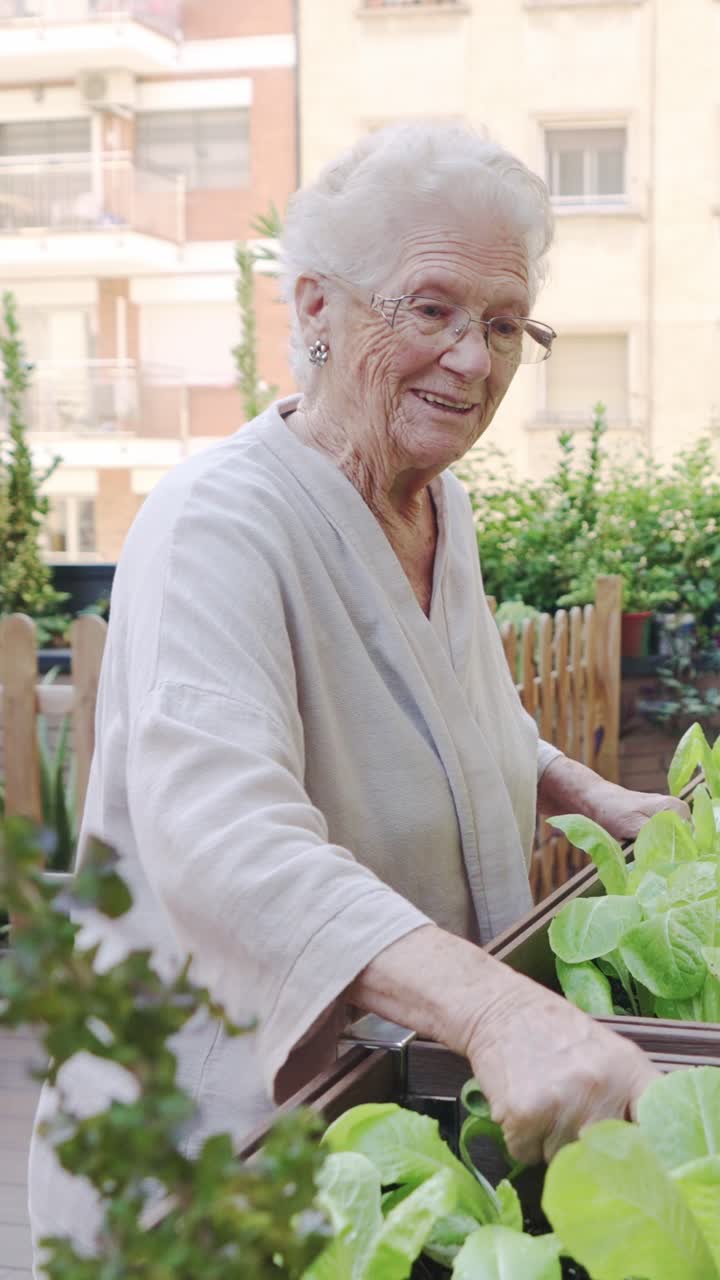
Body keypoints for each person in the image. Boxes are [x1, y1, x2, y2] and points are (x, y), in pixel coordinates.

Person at [28, 122, 687, 1260]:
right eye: (431, 308)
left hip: (385, 1126)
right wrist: (497, 1005)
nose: (473, 360)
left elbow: (465, 711)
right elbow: (228, 838)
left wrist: (590, 793)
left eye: (500, 323)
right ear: (317, 308)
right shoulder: (215, 526)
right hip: (221, 1152)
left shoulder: (441, 506)